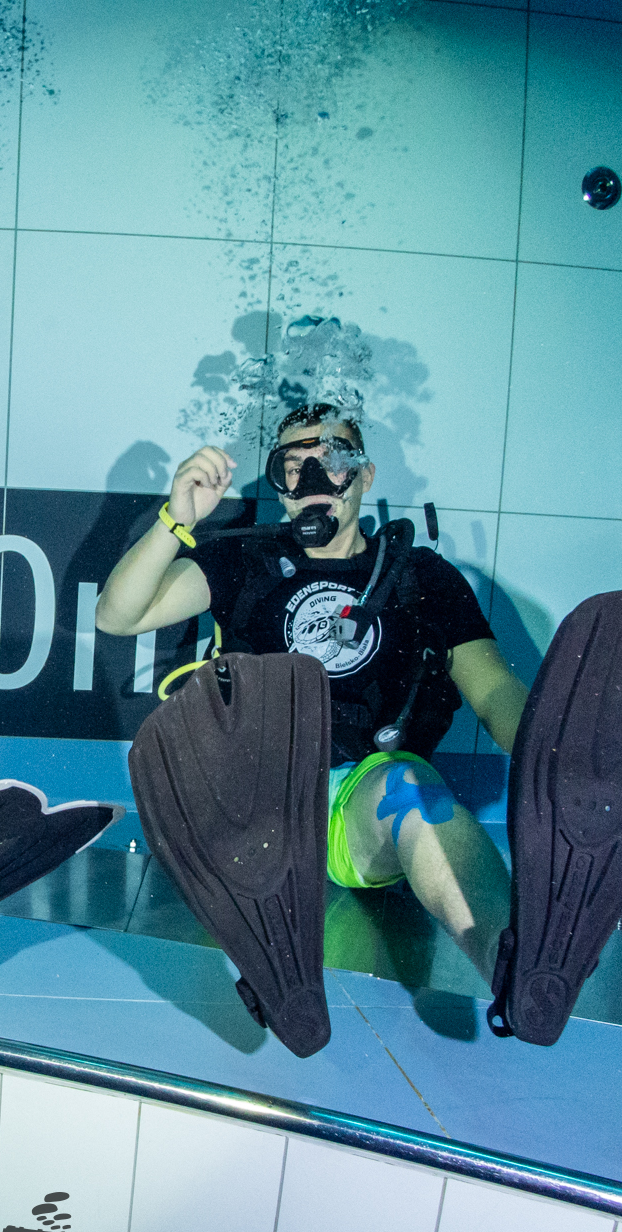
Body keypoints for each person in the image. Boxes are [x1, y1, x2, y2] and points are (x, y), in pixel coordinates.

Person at [96, 402, 529, 982]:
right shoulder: (242, 559)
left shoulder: (421, 578)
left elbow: (494, 689)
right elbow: (118, 615)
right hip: (251, 803)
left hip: (354, 805)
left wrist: (550, 756)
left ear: (365, 475)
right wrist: (175, 521)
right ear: (278, 483)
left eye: (334, 462)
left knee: (411, 792)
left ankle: (513, 966)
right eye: (294, 468)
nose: (313, 481)